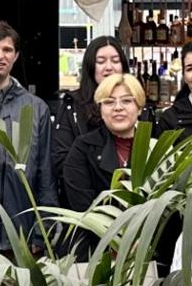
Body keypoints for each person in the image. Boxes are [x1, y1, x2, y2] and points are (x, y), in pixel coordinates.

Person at [0, 21, 57, 251]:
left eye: (7, 50)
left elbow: (45, 172)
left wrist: (43, 228)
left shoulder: (35, 108)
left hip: (22, 235)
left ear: (15, 56)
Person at [50, 34, 133, 194]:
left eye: (115, 61)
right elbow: (61, 161)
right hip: (82, 201)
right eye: (101, 61)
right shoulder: (72, 106)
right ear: (90, 66)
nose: (109, 67)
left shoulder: (136, 105)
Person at [60, 72, 148, 216]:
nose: (118, 108)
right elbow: (83, 208)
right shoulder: (82, 148)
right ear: (100, 110)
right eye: (109, 102)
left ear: (139, 108)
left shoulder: (155, 147)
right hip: (97, 233)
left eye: (126, 101)